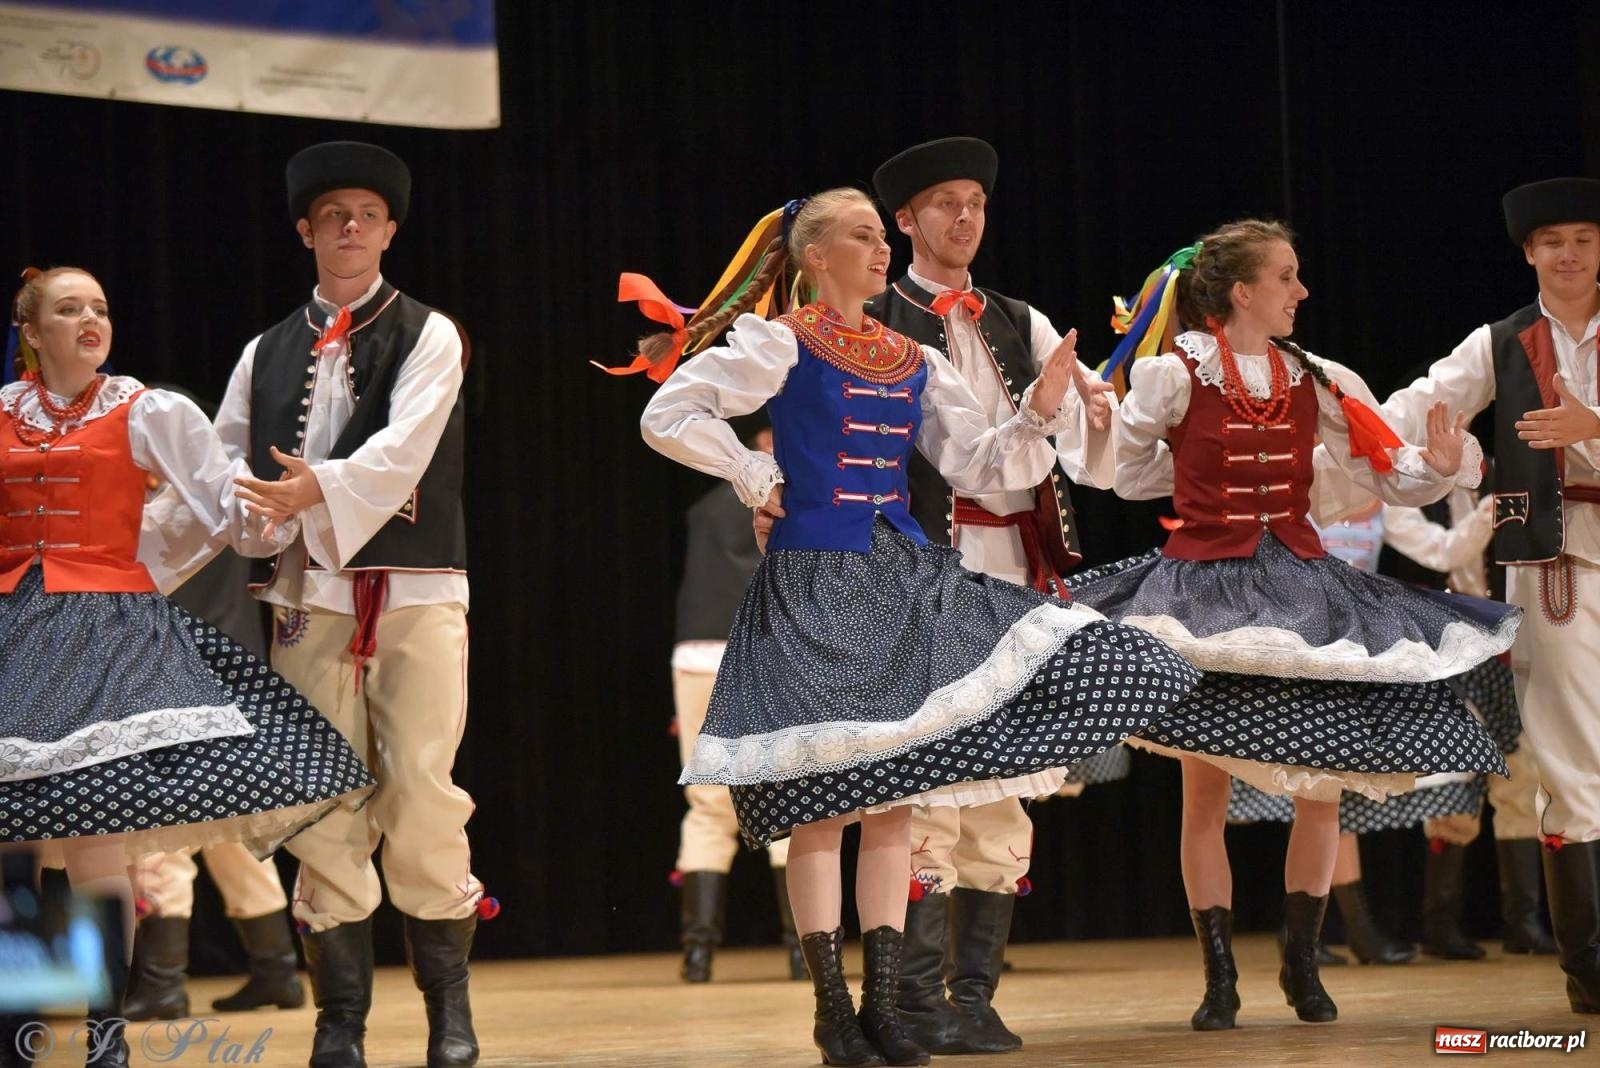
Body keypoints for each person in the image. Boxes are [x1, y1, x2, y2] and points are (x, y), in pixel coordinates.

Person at [621, 187, 1202, 1067]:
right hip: (815, 575)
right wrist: (750, 472)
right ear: (816, 257)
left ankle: (884, 1003)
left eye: (875, 235)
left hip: (899, 572)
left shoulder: (911, 357)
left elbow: (979, 460)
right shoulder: (781, 339)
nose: (877, 249)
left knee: (893, 800)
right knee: (826, 801)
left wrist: (1040, 408)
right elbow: (666, 413)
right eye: (860, 236)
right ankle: (830, 1010)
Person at [1068, 221, 1518, 1031]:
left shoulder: (1318, 377)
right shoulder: (1173, 375)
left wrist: (1442, 466)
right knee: (1202, 788)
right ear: (1243, 292)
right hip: (1204, 586)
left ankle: (1302, 964)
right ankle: (1219, 978)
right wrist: (1194, 471)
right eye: (1286, 277)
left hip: (1300, 585)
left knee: (1324, 784)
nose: (1301, 291)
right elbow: (1123, 472)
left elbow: (1387, 467)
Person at [144, 141, 483, 1068]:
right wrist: (144, 556)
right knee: (324, 795)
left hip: (413, 589)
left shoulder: (430, 332)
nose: (349, 227)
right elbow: (218, 475)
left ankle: (449, 1018)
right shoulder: (266, 350)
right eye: (332, 213)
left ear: (389, 231)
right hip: (306, 594)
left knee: (420, 787)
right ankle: (341, 1023)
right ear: (306, 230)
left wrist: (312, 493)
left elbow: (406, 449)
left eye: (366, 215)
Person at [1, 265, 374, 1068]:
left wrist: (271, 513)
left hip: (104, 630)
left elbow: (223, 515)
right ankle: (21, 1030)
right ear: (32, 332)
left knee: (95, 837)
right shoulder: (0, 415)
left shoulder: (148, 410)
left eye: (100, 306)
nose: (90, 319)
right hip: (13, 630)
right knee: (13, 845)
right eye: (68, 309)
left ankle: (106, 1036)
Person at [861, 136, 1119, 1055]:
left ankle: (974, 994)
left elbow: (1094, 453)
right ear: (905, 221)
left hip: (1020, 568)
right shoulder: (877, 317)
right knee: (929, 777)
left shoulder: (1020, 316)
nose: (963, 217)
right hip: (931, 564)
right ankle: (914, 997)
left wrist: (1101, 411)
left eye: (974, 201)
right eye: (943, 203)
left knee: (1004, 785)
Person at [1317, 178, 1600, 1013]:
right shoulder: (1501, 343)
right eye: (1553, 240)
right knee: (1570, 755)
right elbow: (1403, 415)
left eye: (1584, 237)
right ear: (1528, 252)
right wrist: (1305, 461)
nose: (1570, 253)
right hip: (1556, 564)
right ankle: (1588, 964)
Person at [671, 424, 806, 983]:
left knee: (706, 804)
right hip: (761, 646)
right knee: (786, 794)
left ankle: (697, 952)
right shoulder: (790, 504)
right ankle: (802, 950)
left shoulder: (703, 507)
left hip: (695, 650)